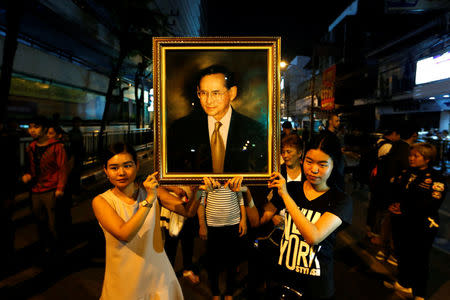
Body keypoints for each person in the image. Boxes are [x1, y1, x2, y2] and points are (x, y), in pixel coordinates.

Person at [92, 142, 200, 300]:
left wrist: (200, 191)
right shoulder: (102, 201)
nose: (121, 172)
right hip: (125, 278)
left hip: (158, 273)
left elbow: (187, 212)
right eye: (114, 168)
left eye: (127, 166)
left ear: (137, 165)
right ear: (105, 170)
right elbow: (125, 233)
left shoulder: (153, 191)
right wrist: (149, 199)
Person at [267, 136, 352, 299]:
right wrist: (245, 196)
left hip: (316, 287)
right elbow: (260, 219)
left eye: (322, 164)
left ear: (334, 166)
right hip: (283, 279)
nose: (313, 170)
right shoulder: (291, 187)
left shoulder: (341, 200)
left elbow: (313, 236)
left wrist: (285, 195)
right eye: (309, 161)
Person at [167, 65, 267, 173]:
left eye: (216, 93)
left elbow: (260, 172)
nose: (209, 101)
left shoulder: (254, 130)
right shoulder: (180, 129)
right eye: (203, 93)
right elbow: (174, 171)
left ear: (232, 93)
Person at [384, 143, 446, 300]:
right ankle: (404, 284)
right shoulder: (406, 172)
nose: (411, 158)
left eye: (416, 156)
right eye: (410, 155)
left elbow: (432, 204)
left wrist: (404, 209)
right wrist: (393, 204)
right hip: (402, 221)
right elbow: (395, 189)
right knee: (402, 253)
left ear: (427, 159)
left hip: (422, 224)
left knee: (419, 259)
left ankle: (420, 293)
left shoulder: (436, 178)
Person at [22, 116, 68, 258]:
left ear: (45, 129)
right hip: (36, 189)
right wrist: (28, 175)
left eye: (36, 127)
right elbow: (29, 167)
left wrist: (60, 187)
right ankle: (45, 247)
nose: (32, 130)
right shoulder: (31, 147)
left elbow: (62, 168)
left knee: (53, 223)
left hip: (51, 189)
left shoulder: (57, 147)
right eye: (30, 127)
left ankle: (57, 250)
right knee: (39, 220)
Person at [197, 176, 247, 300]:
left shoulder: (232, 174)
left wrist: (243, 220)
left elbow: (240, 198)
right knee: (212, 262)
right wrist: (202, 225)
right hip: (213, 225)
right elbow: (201, 202)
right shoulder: (207, 177)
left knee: (232, 261)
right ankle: (215, 292)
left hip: (233, 223)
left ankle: (229, 292)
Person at [317, 113, 345, 190]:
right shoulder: (326, 136)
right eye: (336, 121)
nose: (338, 123)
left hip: (335, 169)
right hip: (329, 170)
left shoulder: (335, 135)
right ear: (330, 121)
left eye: (339, 121)